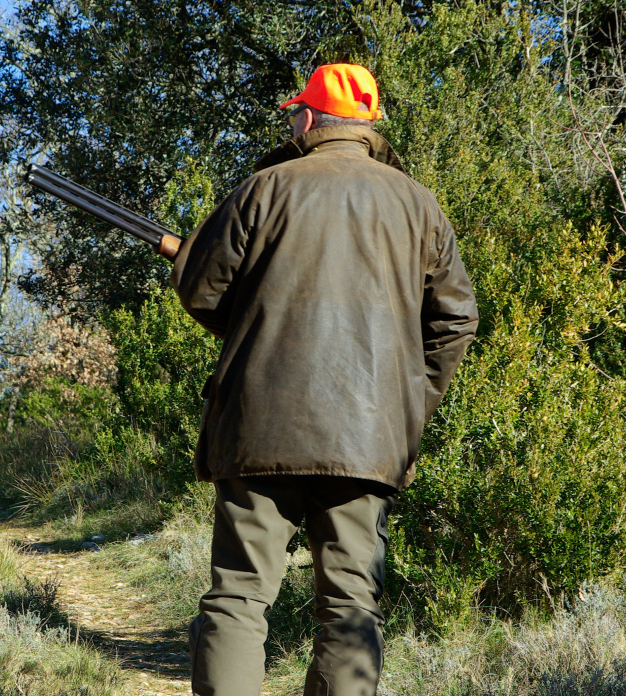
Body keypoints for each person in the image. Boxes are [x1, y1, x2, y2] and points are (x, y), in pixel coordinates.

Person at [170, 63, 479, 696]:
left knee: (238, 600)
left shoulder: (263, 188)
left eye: (294, 114)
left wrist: (257, 326)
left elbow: (204, 291)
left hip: (258, 431)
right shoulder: (417, 202)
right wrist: (408, 406)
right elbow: (456, 320)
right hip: (370, 441)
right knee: (350, 607)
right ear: (367, 126)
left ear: (309, 119)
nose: (291, 123)